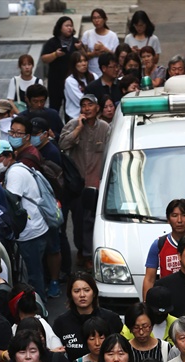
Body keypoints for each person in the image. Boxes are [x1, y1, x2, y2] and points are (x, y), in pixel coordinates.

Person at [0, 140, 49, 300]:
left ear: (9, 156)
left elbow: (11, 205)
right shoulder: (15, 169)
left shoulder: (15, 173)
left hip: (30, 232)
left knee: (33, 275)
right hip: (33, 229)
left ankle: (38, 307)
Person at [59, 96, 111, 267]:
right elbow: (63, 144)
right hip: (77, 184)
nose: (87, 108)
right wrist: (78, 129)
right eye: (84, 105)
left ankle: (89, 254)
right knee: (79, 220)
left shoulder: (105, 128)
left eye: (91, 105)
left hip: (96, 183)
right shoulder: (73, 124)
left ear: (97, 108)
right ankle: (82, 250)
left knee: (92, 220)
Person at [52, 273, 122, 362]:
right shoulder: (61, 322)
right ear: (70, 295)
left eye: (86, 290)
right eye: (77, 291)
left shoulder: (111, 319)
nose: (82, 295)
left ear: (94, 293)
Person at [41, 16, 82, 112]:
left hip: (72, 80)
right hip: (56, 80)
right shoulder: (52, 42)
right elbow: (44, 59)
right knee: (54, 107)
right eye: (67, 26)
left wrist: (80, 49)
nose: (69, 28)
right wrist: (55, 54)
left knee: (71, 107)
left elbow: (84, 58)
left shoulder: (76, 42)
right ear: (60, 27)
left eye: (71, 26)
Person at [81, 7, 119, 75]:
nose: (96, 20)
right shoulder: (87, 34)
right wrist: (94, 54)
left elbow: (117, 56)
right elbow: (82, 55)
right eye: (94, 18)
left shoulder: (113, 36)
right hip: (91, 72)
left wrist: (105, 49)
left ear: (104, 19)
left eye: (99, 18)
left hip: (108, 73)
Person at [64, 53, 98, 121]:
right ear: (74, 64)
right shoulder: (70, 81)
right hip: (77, 118)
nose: (84, 64)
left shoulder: (94, 76)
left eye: (85, 61)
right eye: (80, 61)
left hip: (95, 116)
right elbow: (80, 101)